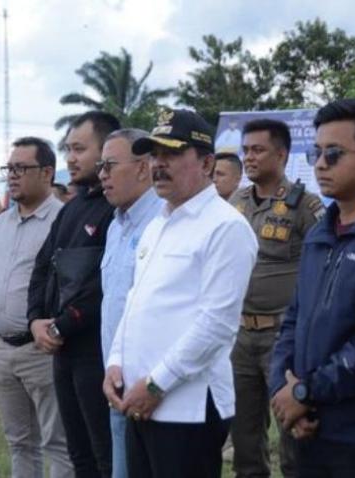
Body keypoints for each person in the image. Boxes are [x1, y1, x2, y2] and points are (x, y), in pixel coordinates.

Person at [103, 109, 258, 478]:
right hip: (140, 398)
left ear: (206, 163)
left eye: (171, 154)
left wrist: (156, 384)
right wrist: (116, 361)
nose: (159, 164)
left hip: (187, 406)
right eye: (154, 154)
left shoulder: (225, 227)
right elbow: (135, 301)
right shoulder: (159, 223)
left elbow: (216, 325)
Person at [269, 100, 355, 477]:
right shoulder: (319, 231)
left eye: (334, 153)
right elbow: (293, 319)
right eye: (316, 152)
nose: (320, 164)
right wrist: (282, 389)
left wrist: (306, 393)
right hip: (304, 427)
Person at [228, 119, 324, 478]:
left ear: (281, 154)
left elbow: (322, 267)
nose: (248, 157)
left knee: (292, 435)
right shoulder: (235, 201)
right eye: (246, 150)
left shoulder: (305, 205)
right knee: (245, 438)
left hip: (281, 335)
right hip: (239, 334)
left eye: (257, 150)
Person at [27, 111, 120, 478]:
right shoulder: (72, 208)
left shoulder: (116, 211)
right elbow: (42, 267)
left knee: (105, 454)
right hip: (61, 349)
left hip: (95, 350)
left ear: (106, 150)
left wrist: (62, 326)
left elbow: (104, 286)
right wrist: (35, 320)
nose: (70, 158)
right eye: (68, 149)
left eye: (79, 149)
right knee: (77, 453)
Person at [0, 136, 74, 478]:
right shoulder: (1, 223)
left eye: (21, 168)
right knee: (19, 442)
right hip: (2, 349)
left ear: (47, 173)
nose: (12, 175)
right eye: (9, 168)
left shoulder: (64, 221)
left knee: (58, 443)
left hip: (42, 349)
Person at [97, 128, 164, 478]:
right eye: (101, 167)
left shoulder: (164, 222)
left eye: (110, 165)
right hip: (117, 378)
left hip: (155, 387)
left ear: (142, 168)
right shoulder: (115, 225)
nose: (102, 175)